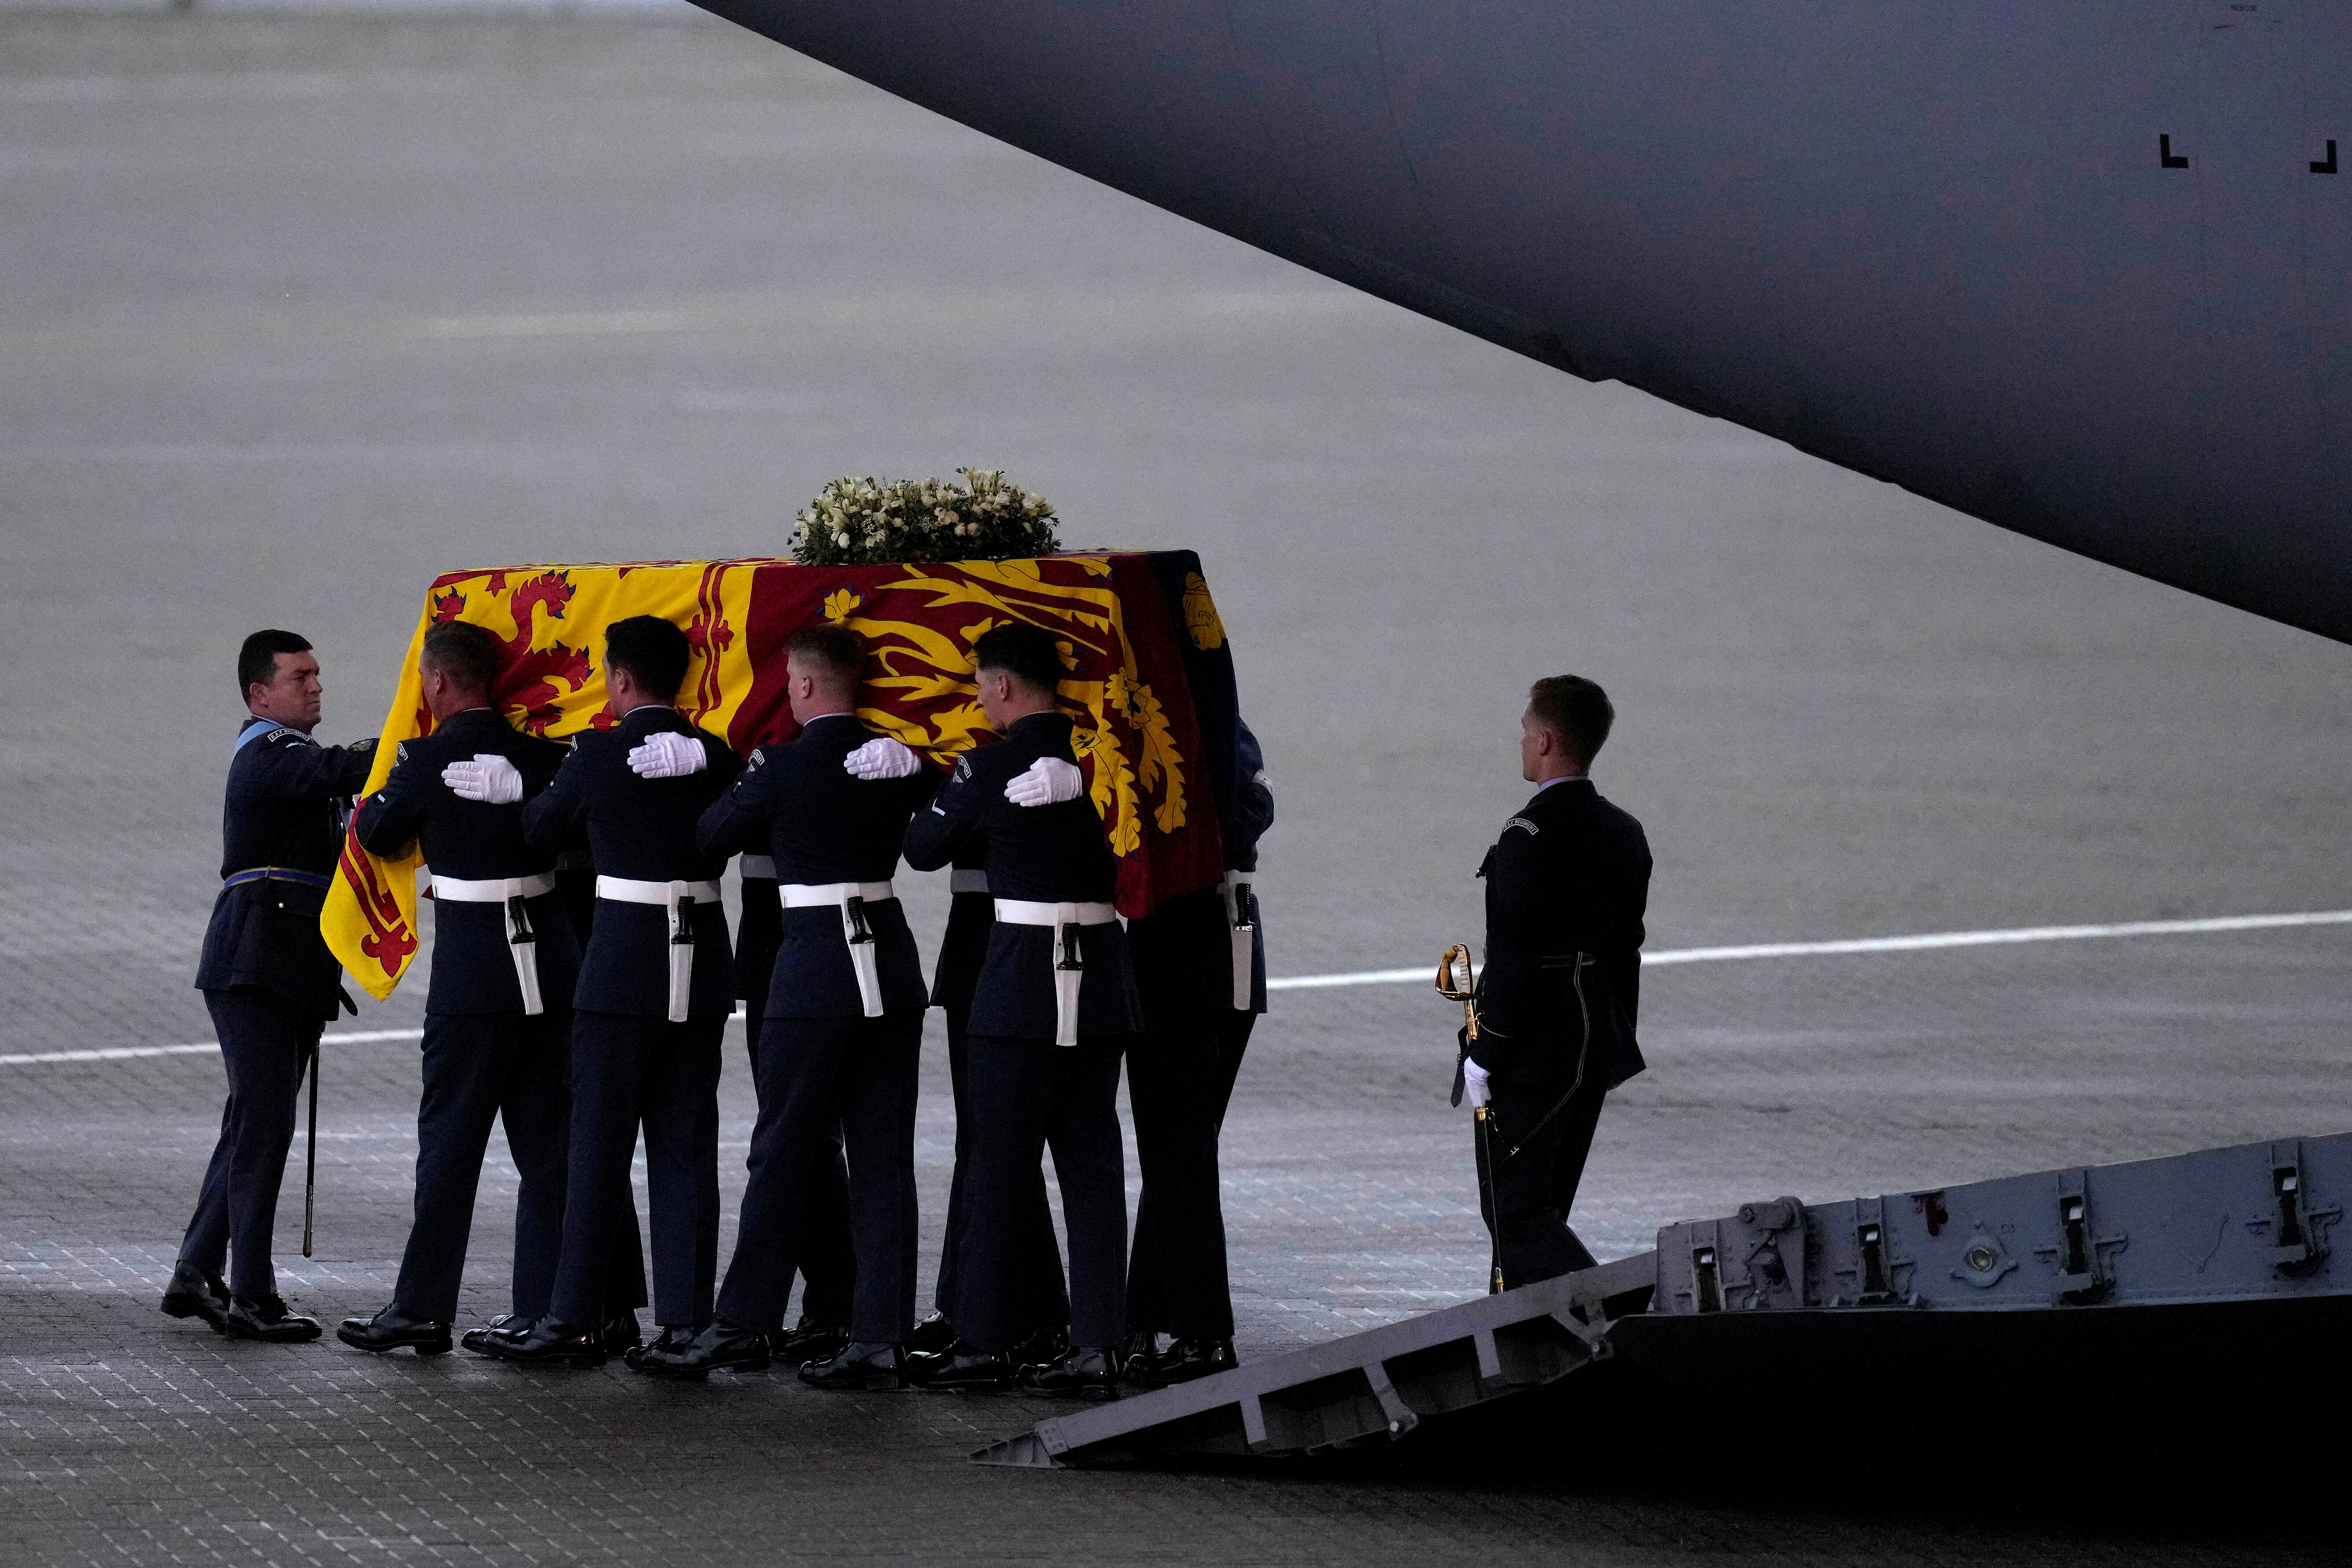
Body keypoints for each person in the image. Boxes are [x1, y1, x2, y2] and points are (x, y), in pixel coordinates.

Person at [636, 624, 938, 1386]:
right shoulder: (892, 763)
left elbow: (711, 836)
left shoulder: (783, 766)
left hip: (812, 967)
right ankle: (880, 1337)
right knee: (880, 1157)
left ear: (800, 687)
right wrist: (922, 764)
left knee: (782, 1149)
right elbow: (945, 809)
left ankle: (743, 1321)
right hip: (891, 965)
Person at [335, 621, 643, 1358]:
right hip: (553, 962)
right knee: (550, 1147)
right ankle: (545, 1308)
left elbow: (376, 833)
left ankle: (421, 1306)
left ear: (438, 683)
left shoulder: (424, 758)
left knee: (449, 1144)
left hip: (474, 974)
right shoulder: (542, 756)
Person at [473, 616, 743, 1367]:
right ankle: (685, 1322)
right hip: (701, 961)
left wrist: (532, 782)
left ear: (620, 679)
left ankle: (571, 1315)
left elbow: (541, 827)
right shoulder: (711, 755)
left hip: (623, 964)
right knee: (685, 1142)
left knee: (596, 1144)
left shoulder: (597, 753)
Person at [901, 620, 1140, 1399]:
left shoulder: (989, 764)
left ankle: (984, 1338)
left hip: (1018, 984)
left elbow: (924, 849)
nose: (977, 695)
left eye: (980, 683)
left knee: (1000, 1163)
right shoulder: (1110, 765)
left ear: (1002, 686)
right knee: (1093, 1169)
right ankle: (1100, 1343)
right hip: (1101, 974)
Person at [163, 630, 374, 1343]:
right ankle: (252, 1294)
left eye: (318, 675)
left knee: (250, 1123)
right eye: (300, 676)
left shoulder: (293, 762)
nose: (316, 686)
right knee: (266, 1125)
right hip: (258, 960)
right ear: (261, 694)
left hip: (285, 963)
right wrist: (414, 746)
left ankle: (196, 1272)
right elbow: (343, 770)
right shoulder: (269, 753)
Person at [1460, 675, 1650, 1289]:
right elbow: (1627, 951)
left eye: (1524, 733)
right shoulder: (1626, 831)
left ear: (1546, 740)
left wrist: (1486, 1051)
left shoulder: (1526, 835)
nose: (1520, 743)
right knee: (1547, 1206)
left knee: (1514, 1212)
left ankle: (1617, 1316)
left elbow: (1513, 957)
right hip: (1592, 1045)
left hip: (1533, 1051)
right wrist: (1613, 1043)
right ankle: (1538, 1340)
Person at [1121, 718, 1273, 1385]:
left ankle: (1203, 1330)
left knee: (1178, 1153)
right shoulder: (1222, 722)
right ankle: (1147, 1315)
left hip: (1179, 946)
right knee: (1178, 1150)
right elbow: (1255, 806)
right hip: (1231, 943)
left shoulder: (1162, 723)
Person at [904, 838, 1073, 1370]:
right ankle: (981, 1304)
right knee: (983, 1141)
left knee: (993, 1142)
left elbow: (928, 843)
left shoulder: (990, 764)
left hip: (1001, 934)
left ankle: (1009, 1314)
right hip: (987, 929)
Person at [731, 837, 857, 1368]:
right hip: (776, 917)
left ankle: (813, 1307)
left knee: (794, 1131)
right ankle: (837, 1301)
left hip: (802, 923)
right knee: (803, 1132)